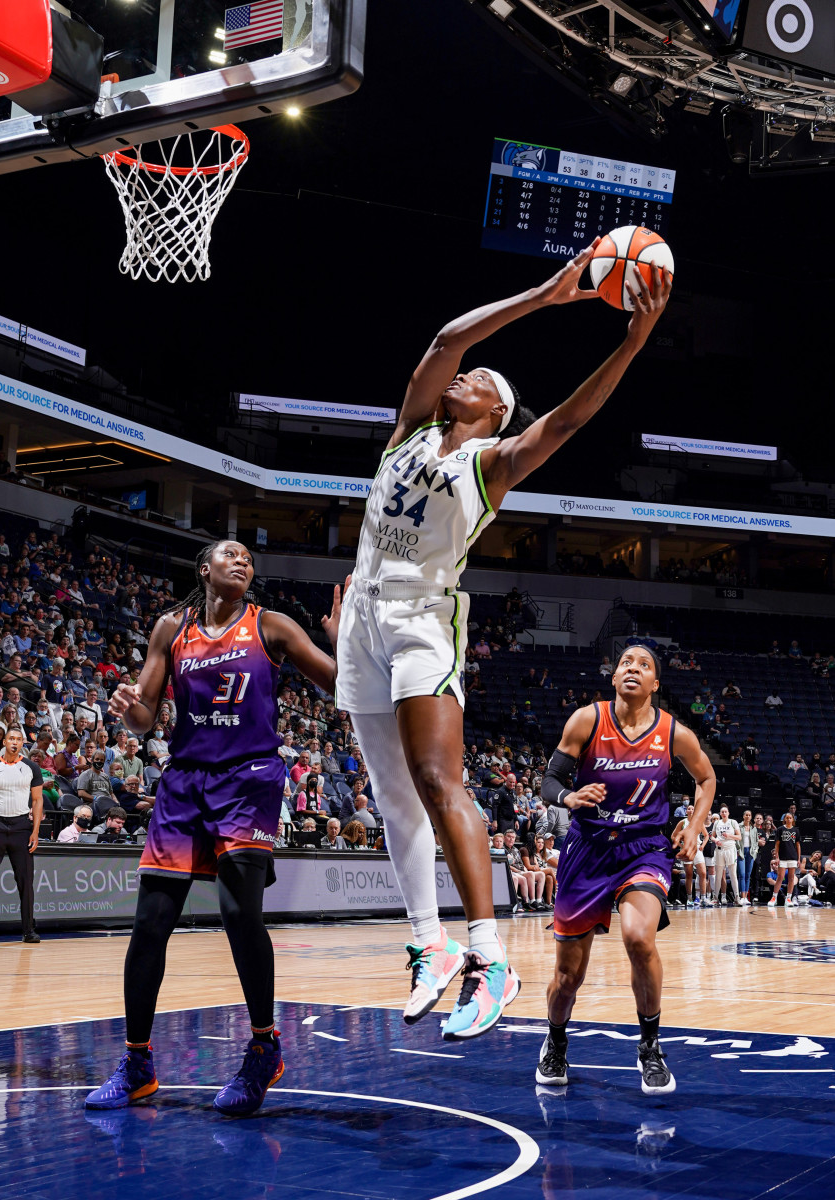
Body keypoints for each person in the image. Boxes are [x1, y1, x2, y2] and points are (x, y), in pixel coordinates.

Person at [334, 245, 671, 1041]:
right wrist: (548, 297)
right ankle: (430, 945)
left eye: (479, 379)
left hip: (423, 616)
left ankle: (490, 960)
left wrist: (629, 341)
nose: (463, 373)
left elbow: (572, 418)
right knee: (390, 794)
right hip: (362, 617)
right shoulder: (410, 432)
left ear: (495, 409)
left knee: (433, 777)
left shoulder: (494, 463)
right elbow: (445, 341)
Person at [84, 539, 343, 1116]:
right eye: (231, 554)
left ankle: (263, 1047)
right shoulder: (169, 630)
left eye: (249, 557)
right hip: (184, 782)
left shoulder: (271, 625)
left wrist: (338, 640)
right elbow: (147, 712)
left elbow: (340, 686)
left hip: (249, 779)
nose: (243, 561)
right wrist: (129, 707)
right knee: (150, 923)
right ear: (205, 569)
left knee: (237, 912)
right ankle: (138, 1062)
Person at [535, 644, 715, 1095]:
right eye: (625, 664)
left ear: (655, 684)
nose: (633, 668)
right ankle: (555, 1041)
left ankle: (650, 1047)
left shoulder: (674, 732)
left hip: (644, 849)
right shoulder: (587, 720)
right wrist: (569, 798)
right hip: (588, 851)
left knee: (639, 938)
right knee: (568, 977)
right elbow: (549, 780)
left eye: (644, 665)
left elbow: (707, 779)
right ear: (613, 678)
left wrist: (693, 826)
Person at [0, 727, 44, 944]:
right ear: (4, 741)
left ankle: (28, 930)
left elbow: (38, 800)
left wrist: (35, 832)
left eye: (18, 739)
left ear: (23, 743)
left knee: (25, 881)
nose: (14, 742)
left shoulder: (31, 767)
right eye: (11, 738)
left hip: (22, 827)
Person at [672, 803, 708, 907]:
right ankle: (689, 899)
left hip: (697, 848)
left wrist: (703, 845)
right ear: (686, 811)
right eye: (689, 809)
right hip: (687, 850)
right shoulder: (682, 822)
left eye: (693, 809)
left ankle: (703, 898)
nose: (691, 810)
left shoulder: (699, 822)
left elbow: (706, 836)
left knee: (703, 873)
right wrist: (681, 846)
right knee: (689, 875)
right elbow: (673, 836)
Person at [712, 804, 741, 906]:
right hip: (719, 850)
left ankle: (737, 897)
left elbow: (739, 837)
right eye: (722, 812)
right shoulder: (717, 823)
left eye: (725, 812)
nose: (724, 813)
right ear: (720, 813)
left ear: (728, 813)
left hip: (730, 849)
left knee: (733, 874)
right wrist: (715, 840)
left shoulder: (733, 822)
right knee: (718, 875)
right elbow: (712, 836)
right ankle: (716, 898)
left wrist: (729, 836)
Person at [769, 813, 800, 908]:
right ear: (785, 819)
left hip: (793, 857)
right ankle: (774, 898)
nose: (789, 819)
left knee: (791, 878)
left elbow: (798, 845)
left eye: (790, 818)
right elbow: (777, 844)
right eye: (787, 818)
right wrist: (777, 857)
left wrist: (798, 858)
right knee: (780, 877)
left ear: (793, 819)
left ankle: (789, 898)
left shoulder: (796, 830)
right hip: (782, 857)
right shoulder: (780, 829)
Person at [736, 808, 758, 905]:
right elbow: (736, 839)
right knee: (742, 874)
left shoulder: (754, 828)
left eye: (749, 815)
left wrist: (755, 851)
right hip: (741, 851)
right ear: (743, 816)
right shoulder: (739, 826)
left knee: (748, 875)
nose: (748, 817)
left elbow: (756, 841)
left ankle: (746, 897)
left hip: (750, 852)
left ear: (751, 817)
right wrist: (737, 849)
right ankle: (742, 896)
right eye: (746, 815)